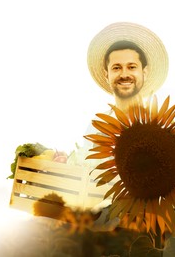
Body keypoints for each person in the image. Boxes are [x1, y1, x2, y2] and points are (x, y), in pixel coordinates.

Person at [69, 22, 169, 214]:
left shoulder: (161, 125)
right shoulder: (95, 129)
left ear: (144, 72)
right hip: (101, 228)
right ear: (107, 74)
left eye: (131, 67)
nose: (124, 74)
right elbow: (86, 181)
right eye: (116, 68)